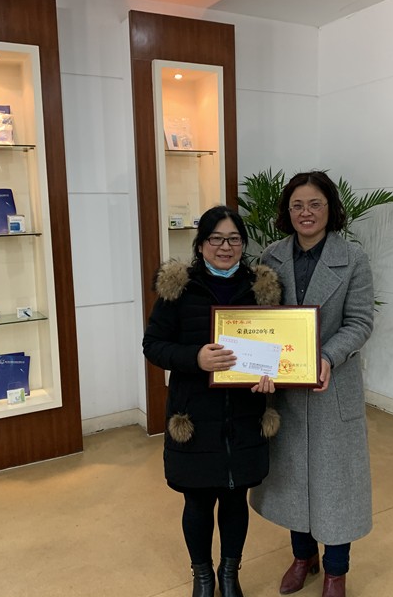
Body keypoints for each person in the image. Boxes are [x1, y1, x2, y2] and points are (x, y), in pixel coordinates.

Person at [142, 205, 282, 597]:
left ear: (243, 244)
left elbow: (280, 346)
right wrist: (195, 358)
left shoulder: (262, 289)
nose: (225, 247)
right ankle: (202, 576)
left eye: (234, 239)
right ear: (201, 244)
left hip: (245, 414)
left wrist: (275, 376)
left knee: (236, 500)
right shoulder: (179, 289)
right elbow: (153, 345)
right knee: (198, 501)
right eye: (216, 239)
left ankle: (230, 573)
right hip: (195, 414)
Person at [249, 171, 375, 597]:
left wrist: (327, 357)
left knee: (336, 484)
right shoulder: (271, 256)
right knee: (293, 480)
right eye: (297, 205)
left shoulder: (353, 259)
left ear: (330, 208)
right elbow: (260, 321)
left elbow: (360, 322)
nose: (306, 213)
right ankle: (303, 557)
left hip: (331, 387)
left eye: (315, 204)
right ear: (287, 211)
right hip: (284, 389)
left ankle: (336, 571)